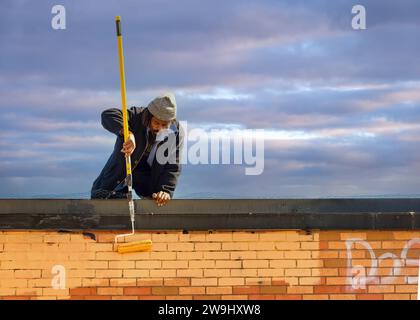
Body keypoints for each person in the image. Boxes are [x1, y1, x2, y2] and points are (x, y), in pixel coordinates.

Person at [91, 93, 183, 206]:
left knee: (153, 211)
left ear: (171, 122)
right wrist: (127, 133)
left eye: (164, 125)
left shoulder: (176, 132)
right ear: (149, 116)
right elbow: (107, 115)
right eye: (156, 123)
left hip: (149, 181)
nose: (159, 128)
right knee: (105, 211)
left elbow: (173, 165)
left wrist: (166, 190)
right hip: (117, 177)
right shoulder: (136, 116)